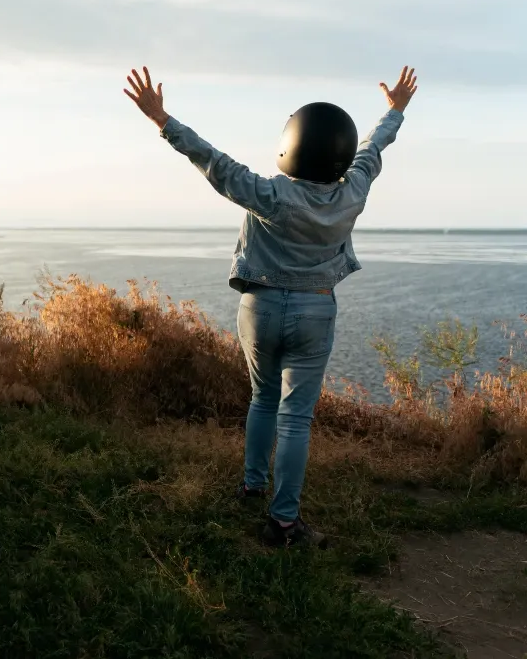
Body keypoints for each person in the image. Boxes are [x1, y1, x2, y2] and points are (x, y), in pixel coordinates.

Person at [124, 65, 419, 548]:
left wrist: (162, 119)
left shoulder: (269, 193)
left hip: (258, 309)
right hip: (315, 310)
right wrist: (396, 111)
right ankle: (283, 521)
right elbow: (371, 149)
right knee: (296, 416)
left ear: (292, 143)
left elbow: (212, 161)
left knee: (262, 398)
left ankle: (252, 484)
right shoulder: (354, 191)